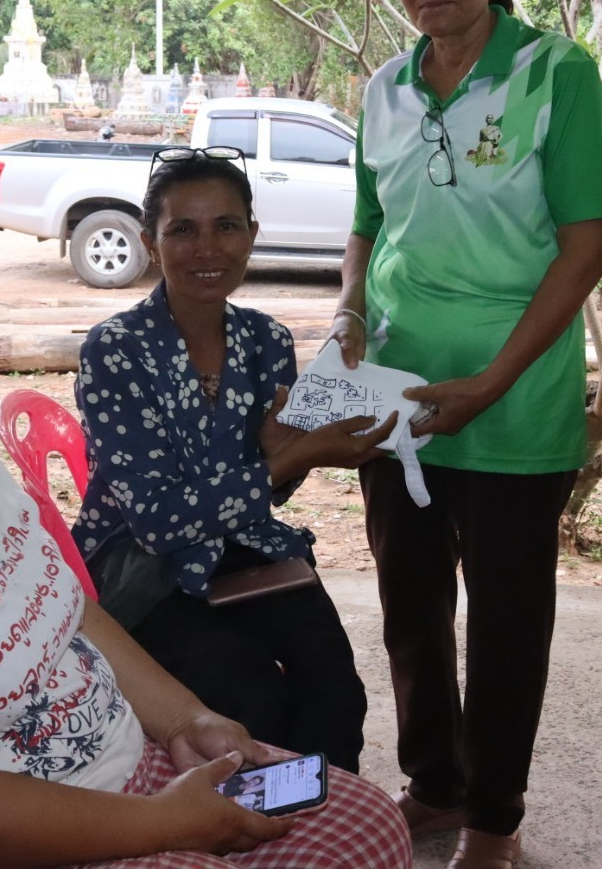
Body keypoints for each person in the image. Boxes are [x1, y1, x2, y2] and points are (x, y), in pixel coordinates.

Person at [0, 170, 412, 869]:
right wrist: (165, 826)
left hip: (115, 777)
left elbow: (65, 604)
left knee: (366, 821)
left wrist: (185, 720)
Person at [327, 0, 602, 868]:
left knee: (506, 622)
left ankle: (494, 820)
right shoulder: (381, 91)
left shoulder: (555, 74)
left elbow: (589, 249)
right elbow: (367, 226)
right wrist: (348, 314)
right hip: (396, 402)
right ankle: (435, 789)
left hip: (513, 402)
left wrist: (488, 384)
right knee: (411, 610)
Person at [73, 149, 394, 776]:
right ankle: (249, 834)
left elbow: (273, 489)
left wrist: (291, 455)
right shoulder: (115, 351)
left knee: (335, 693)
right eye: (182, 230)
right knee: (249, 701)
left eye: (226, 226)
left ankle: (321, 836)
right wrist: (293, 457)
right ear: (149, 240)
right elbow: (160, 522)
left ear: (252, 234)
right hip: (147, 570)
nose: (207, 248)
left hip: (248, 550)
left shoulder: (265, 340)